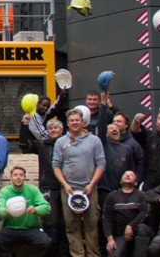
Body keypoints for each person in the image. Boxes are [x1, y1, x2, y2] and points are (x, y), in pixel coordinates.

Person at [53, 108, 106, 257]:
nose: (75, 123)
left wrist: (92, 184)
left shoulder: (94, 140)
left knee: (92, 225)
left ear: (82, 122)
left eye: (77, 120)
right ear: (68, 123)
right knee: (71, 226)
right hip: (69, 190)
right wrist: (65, 184)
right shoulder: (61, 142)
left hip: (89, 189)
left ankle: (93, 254)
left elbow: (101, 164)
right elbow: (56, 166)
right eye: (71, 121)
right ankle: (77, 254)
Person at [19, 118, 66, 257]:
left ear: (62, 130)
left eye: (56, 128)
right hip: (48, 187)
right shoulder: (42, 144)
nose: (53, 131)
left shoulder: (68, 144)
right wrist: (24, 126)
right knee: (51, 223)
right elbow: (23, 145)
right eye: (50, 129)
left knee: (66, 223)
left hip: (66, 186)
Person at [0, 166, 53, 257]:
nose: (18, 177)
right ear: (11, 177)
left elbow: (46, 207)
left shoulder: (33, 190)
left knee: (45, 242)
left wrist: (35, 209)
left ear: (25, 177)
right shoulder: (5, 191)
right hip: (10, 229)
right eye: (15, 175)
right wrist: (7, 212)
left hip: (31, 229)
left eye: (21, 175)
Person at [100, 121, 144, 219]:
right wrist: (103, 107)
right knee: (105, 216)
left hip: (121, 190)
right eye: (111, 128)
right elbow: (101, 128)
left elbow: (130, 170)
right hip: (104, 190)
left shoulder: (127, 149)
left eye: (116, 128)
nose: (114, 129)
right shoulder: (103, 145)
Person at [102, 170, 148, 257]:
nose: (128, 175)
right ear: (120, 181)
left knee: (143, 228)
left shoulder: (141, 195)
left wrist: (130, 225)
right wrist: (110, 239)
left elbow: (145, 213)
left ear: (135, 183)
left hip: (138, 233)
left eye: (131, 175)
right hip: (120, 234)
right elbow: (107, 218)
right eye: (125, 174)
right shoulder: (112, 196)